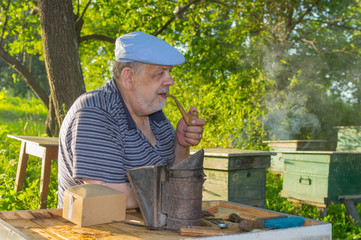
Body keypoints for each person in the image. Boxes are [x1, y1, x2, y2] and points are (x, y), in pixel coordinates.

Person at [57, 31, 206, 209]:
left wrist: (181, 145)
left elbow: (175, 175)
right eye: (160, 74)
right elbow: (107, 195)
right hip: (91, 232)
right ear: (129, 78)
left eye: (170, 72)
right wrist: (175, 190)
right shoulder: (95, 112)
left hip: (146, 229)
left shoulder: (157, 117)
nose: (171, 81)